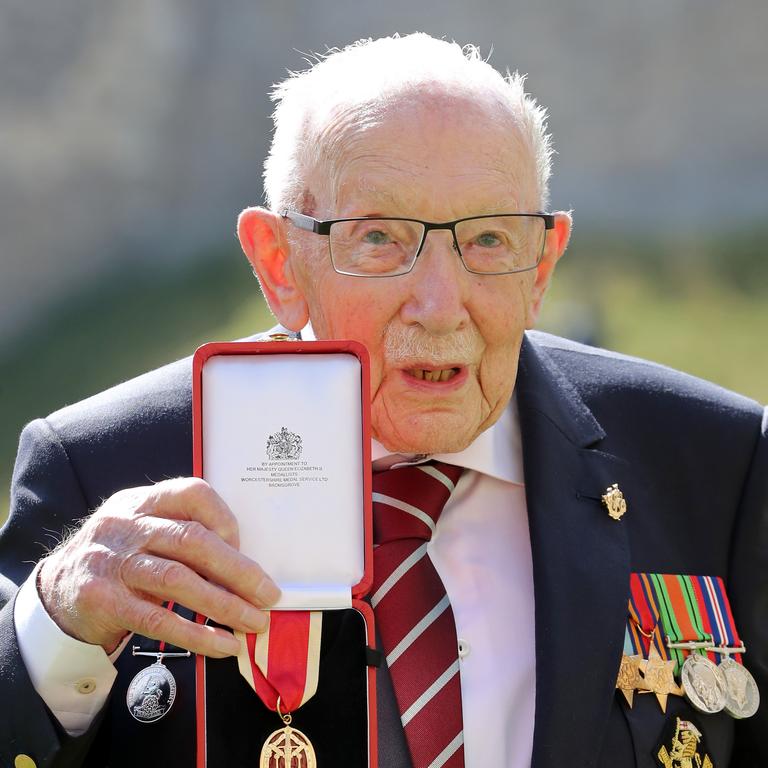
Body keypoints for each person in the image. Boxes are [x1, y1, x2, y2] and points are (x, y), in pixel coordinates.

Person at [0, 33, 765, 768]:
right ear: (278, 263)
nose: (439, 304)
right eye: (380, 239)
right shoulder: (103, 467)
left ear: (542, 267)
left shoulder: (711, 462)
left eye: (490, 241)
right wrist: (61, 624)